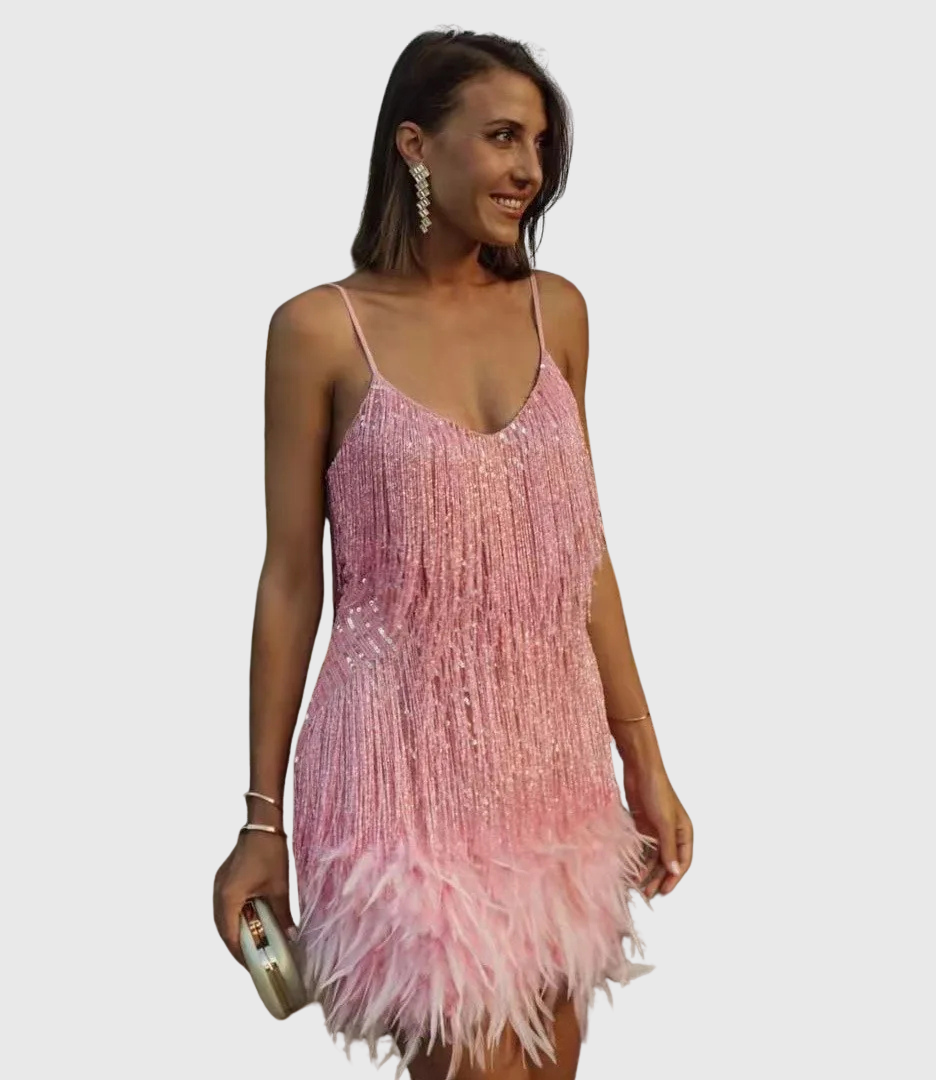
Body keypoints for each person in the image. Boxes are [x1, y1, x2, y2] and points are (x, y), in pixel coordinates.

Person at [213, 27, 693, 1080]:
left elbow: (582, 554)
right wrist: (261, 821)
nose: (530, 169)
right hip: (396, 772)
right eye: (503, 136)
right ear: (415, 146)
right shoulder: (320, 332)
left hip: (552, 768)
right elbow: (290, 581)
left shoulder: (557, 312)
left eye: (542, 143)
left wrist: (644, 761)